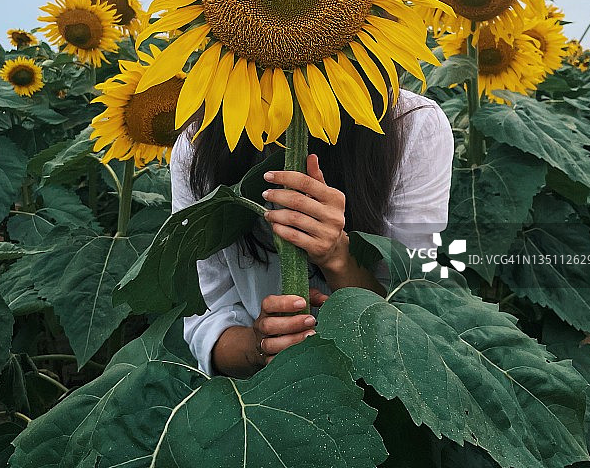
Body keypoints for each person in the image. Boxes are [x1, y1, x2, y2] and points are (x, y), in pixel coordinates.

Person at [170, 83, 453, 379]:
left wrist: (337, 258)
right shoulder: (198, 145)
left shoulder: (412, 126)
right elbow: (206, 320)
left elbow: (410, 311)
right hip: (267, 389)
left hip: (380, 385)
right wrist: (260, 345)